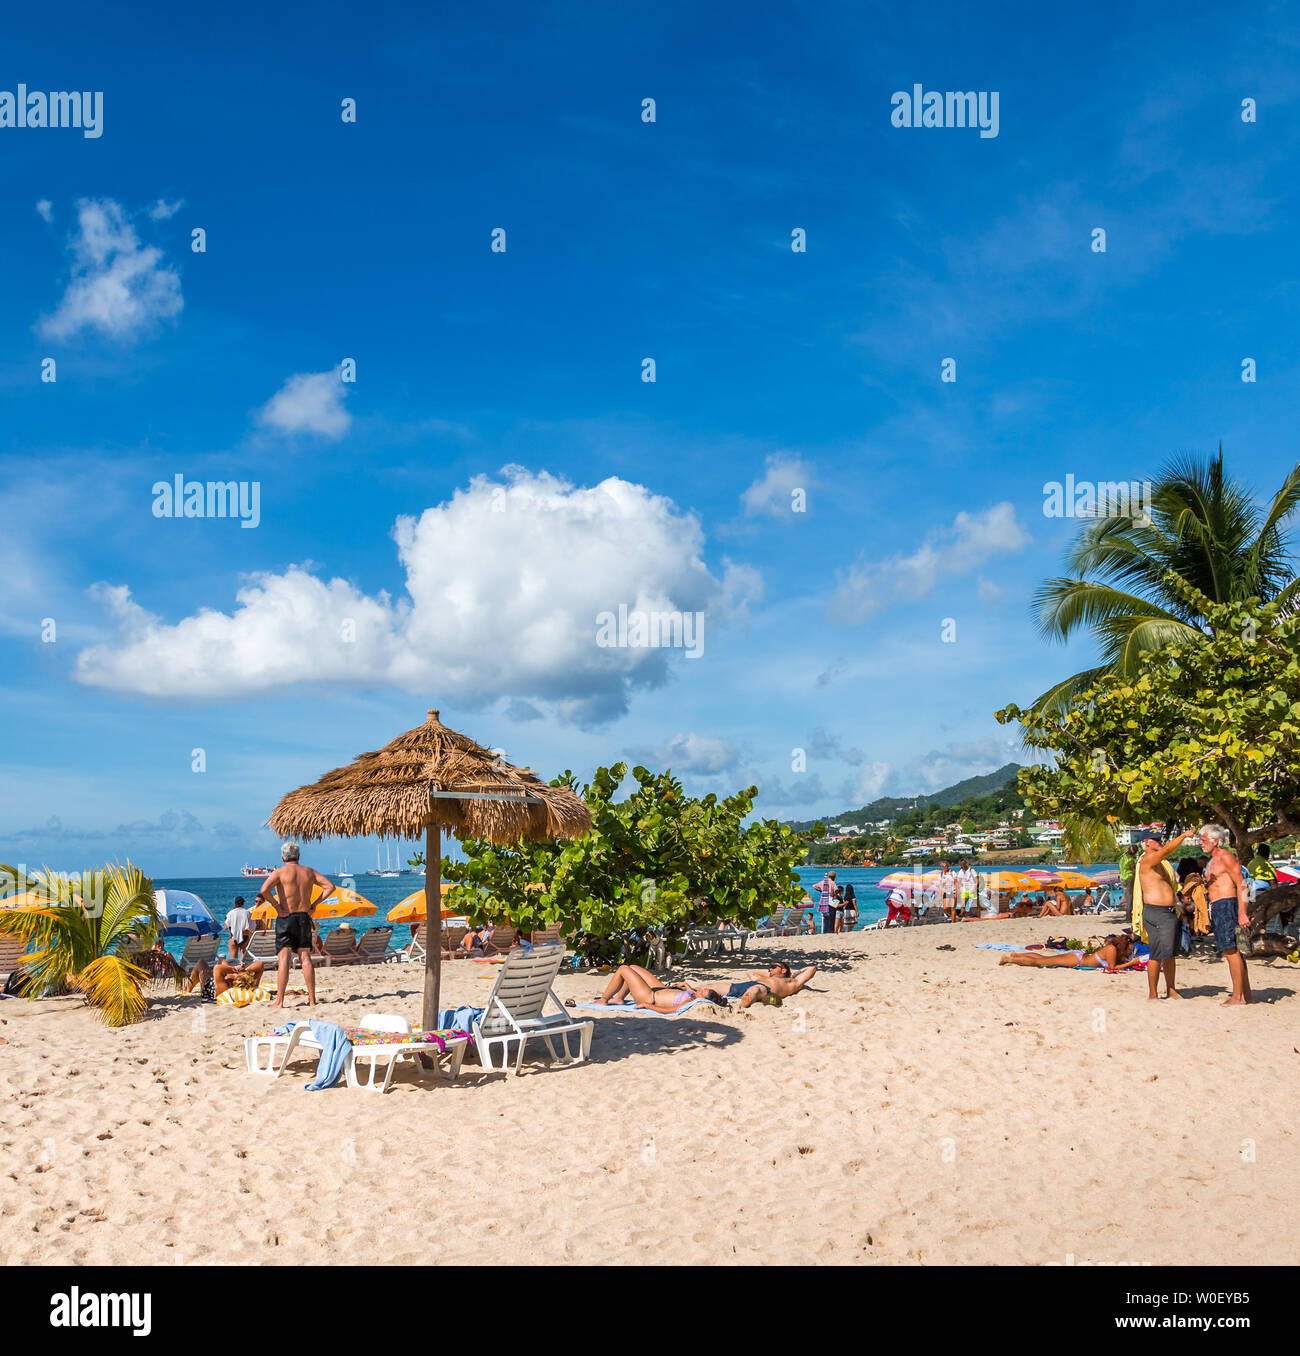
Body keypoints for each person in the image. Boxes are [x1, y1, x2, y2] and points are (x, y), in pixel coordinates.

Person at [254, 841, 336, 1008]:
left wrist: (277, 906)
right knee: (305, 958)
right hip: (304, 917)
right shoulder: (309, 872)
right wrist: (314, 904)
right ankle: (312, 1000)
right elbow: (330, 887)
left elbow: (264, 891)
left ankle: (280, 1001)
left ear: (282, 857)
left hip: (286, 917)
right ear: (298, 856)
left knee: (283, 958)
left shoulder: (279, 872)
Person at [1136, 827, 1194, 1000]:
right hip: (1157, 912)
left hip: (1168, 912)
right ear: (1147, 842)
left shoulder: (1162, 864)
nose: (1160, 842)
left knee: (1170, 953)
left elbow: (1169, 886)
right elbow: (1169, 849)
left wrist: (1183, 895)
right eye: (1157, 840)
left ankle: (1171, 989)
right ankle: (1153, 994)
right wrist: (1184, 835)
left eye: (1161, 839)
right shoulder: (1147, 860)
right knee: (1157, 953)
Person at [1199, 824, 1253, 1005]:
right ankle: (1246, 994)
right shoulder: (1211, 861)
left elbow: (1243, 883)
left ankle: (1237, 997)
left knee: (1231, 951)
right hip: (1217, 906)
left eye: (1203, 840)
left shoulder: (1225, 857)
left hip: (1227, 905)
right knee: (1232, 950)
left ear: (1215, 841)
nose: (1200, 843)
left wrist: (1242, 913)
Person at [594, 964, 729, 1012]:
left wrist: (647, 1005)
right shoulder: (693, 994)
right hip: (659, 989)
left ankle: (604, 999)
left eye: (701, 992)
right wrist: (686, 985)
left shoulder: (689, 1002)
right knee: (634, 967)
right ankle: (619, 998)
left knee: (623, 969)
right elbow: (692, 991)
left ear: (702, 1000)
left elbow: (669, 1011)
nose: (699, 990)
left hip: (650, 997)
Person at [998, 933, 1141, 970]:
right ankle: (1010, 959)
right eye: (1130, 949)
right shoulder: (1111, 950)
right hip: (1077, 960)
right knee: (1041, 962)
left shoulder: (1113, 950)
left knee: (1044, 958)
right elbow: (1112, 968)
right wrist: (1132, 963)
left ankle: (1016, 955)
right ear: (1124, 946)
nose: (1130, 952)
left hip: (1079, 956)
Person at [184, 956, 266, 1001]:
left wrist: (235, 968)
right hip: (221, 978)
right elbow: (260, 964)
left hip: (209, 987)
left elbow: (217, 968)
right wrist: (243, 969)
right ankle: (188, 988)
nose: (235, 975)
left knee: (201, 963)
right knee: (222, 960)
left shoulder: (225, 987)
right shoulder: (252, 983)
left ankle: (188, 990)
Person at [812, 871, 841, 935]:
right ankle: (830, 931)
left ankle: (825, 932)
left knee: (825, 918)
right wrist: (836, 895)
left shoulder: (823, 882)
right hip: (830, 901)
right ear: (834, 877)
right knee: (832, 917)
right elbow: (836, 890)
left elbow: (814, 886)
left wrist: (821, 891)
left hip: (824, 901)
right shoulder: (832, 882)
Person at [225, 895, 252, 962]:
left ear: (235, 904)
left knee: (234, 961)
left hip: (233, 937)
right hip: (245, 937)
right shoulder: (247, 912)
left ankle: (235, 970)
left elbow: (226, 927)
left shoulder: (230, 913)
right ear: (243, 904)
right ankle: (243, 970)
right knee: (244, 960)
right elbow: (251, 927)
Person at [1119, 844, 1138, 921]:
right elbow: (1134, 870)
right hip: (1129, 878)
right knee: (1130, 897)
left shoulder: (1123, 857)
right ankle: (1128, 916)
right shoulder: (1130, 859)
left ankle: (1128, 915)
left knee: (1127, 896)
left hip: (1122, 878)